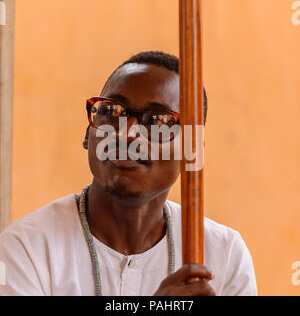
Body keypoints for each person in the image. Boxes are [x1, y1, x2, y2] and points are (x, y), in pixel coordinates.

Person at [0, 51, 257, 296]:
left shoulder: (222, 254)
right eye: (112, 112)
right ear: (88, 133)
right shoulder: (28, 248)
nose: (127, 133)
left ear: (192, 151)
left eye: (158, 120)